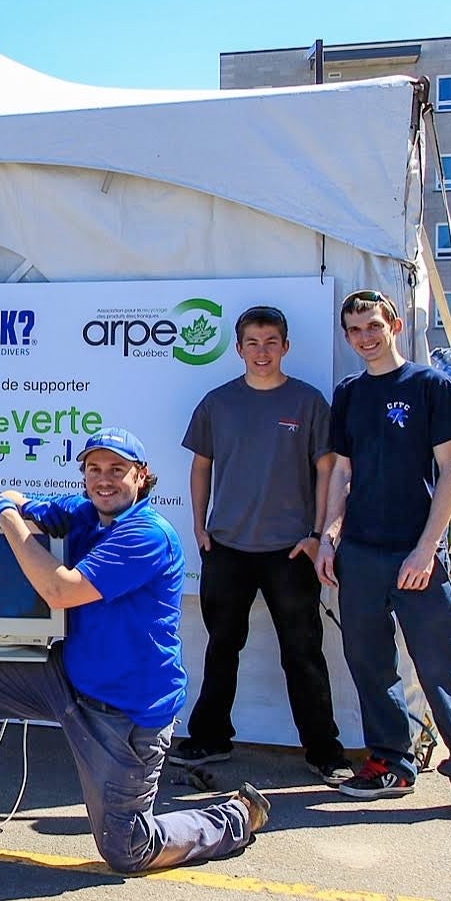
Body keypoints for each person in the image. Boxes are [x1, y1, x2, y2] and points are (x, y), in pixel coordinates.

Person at [0, 428, 270, 870]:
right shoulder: (84, 512)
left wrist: (9, 521)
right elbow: (15, 499)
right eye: (94, 469)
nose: (104, 480)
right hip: (67, 678)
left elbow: (59, 589)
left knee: (129, 850)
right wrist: (11, 507)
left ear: (142, 476)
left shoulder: (147, 535)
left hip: (125, 715)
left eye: (117, 470)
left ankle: (234, 817)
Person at [314, 289, 451, 826]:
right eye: (355, 330)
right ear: (346, 337)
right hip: (362, 553)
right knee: (369, 664)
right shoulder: (349, 393)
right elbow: (343, 473)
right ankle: (390, 762)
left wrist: (425, 549)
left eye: (373, 326)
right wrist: (328, 536)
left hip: (417, 554)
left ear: (393, 325)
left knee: (440, 668)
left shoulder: (429, 386)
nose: (365, 338)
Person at [173, 305, 352, 783]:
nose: (261, 352)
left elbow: (327, 472)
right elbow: (200, 467)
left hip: (291, 550)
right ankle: (209, 737)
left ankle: (323, 749)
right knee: (222, 646)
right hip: (227, 547)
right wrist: (199, 526)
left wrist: (317, 536)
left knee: (303, 651)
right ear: (238, 349)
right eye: (252, 343)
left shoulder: (309, 402)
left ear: (285, 347)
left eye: (271, 342)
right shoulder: (218, 403)